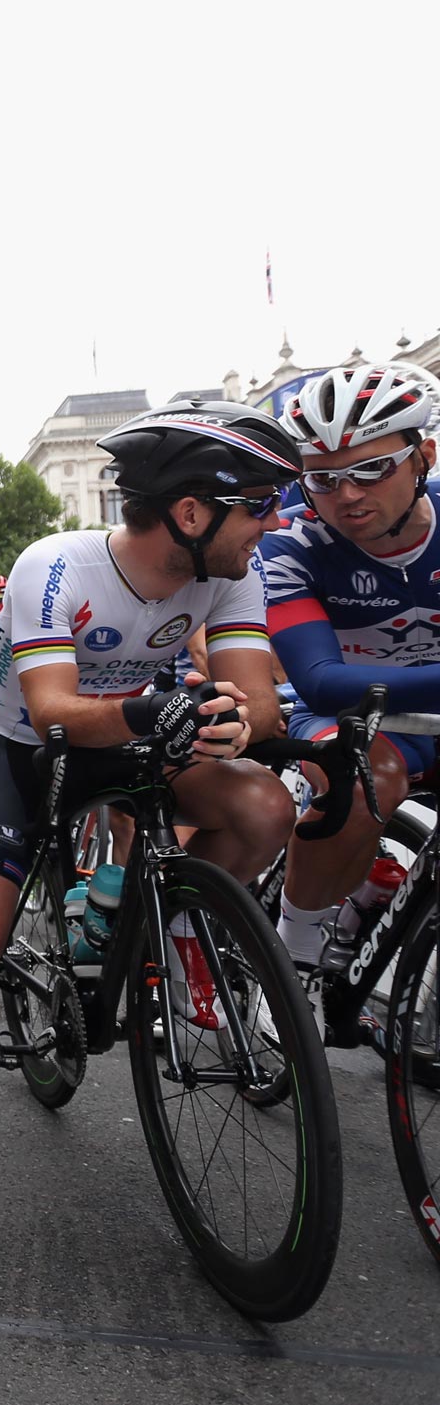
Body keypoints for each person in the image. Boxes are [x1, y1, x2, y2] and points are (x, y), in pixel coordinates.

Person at [0, 400, 299, 1230]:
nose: (270, 523)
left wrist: (242, 719)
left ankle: (165, 930)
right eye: (260, 504)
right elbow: (55, 711)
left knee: (261, 805)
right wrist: (158, 706)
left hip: (139, 730)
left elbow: (258, 695)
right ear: (191, 512)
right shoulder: (54, 566)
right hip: (23, 743)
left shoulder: (234, 571)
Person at [260, 362, 440, 1025]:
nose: (347, 495)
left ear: (423, 455)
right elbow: (321, 682)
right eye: (324, 479)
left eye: (371, 470)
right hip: (349, 717)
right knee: (367, 773)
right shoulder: (292, 543)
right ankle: (291, 961)